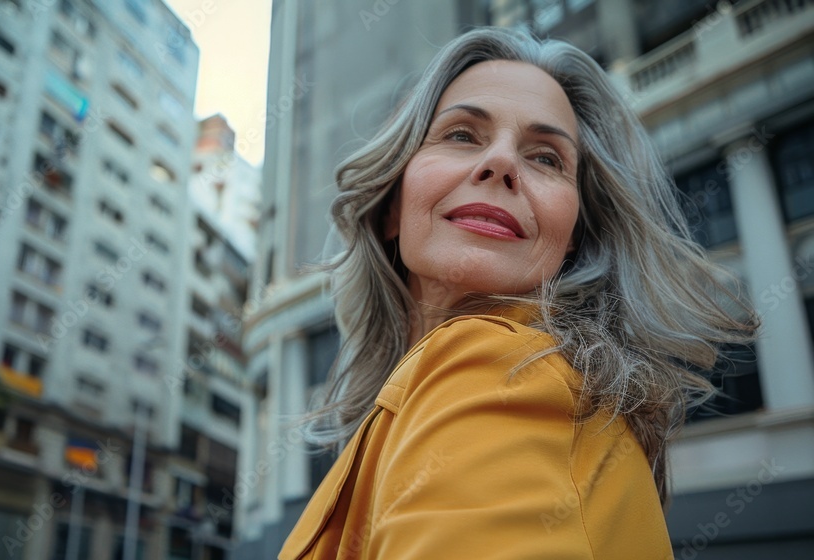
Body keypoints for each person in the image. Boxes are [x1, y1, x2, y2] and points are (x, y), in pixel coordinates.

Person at [279, 27, 757, 559]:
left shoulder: (495, 367)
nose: (503, 162)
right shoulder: (433, 393)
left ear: (573, 234)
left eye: (547, 157)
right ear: (392, 205)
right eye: (461, 134)